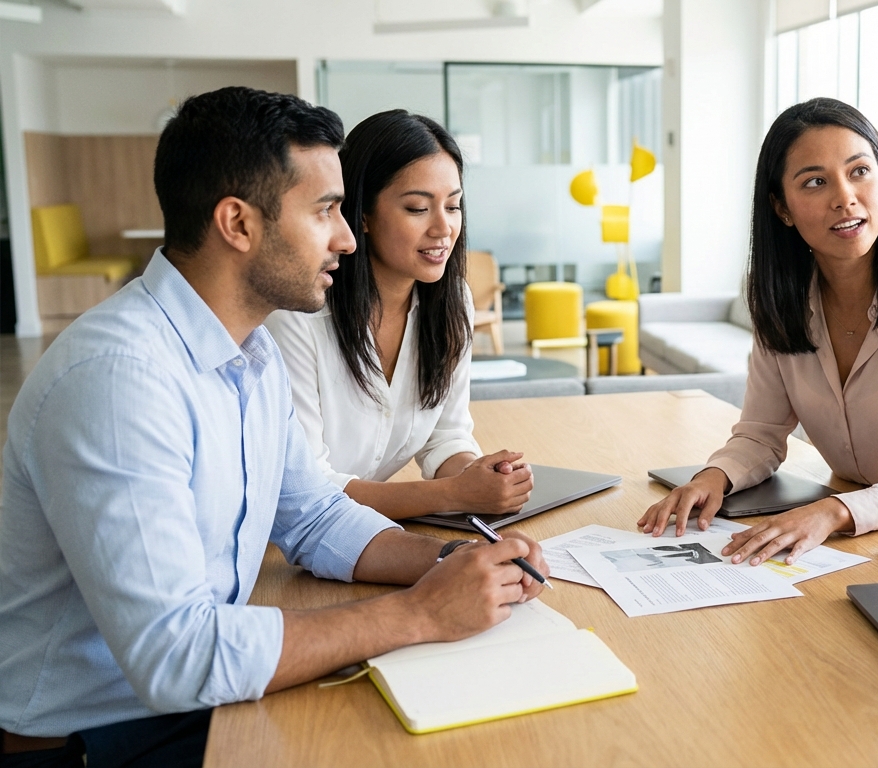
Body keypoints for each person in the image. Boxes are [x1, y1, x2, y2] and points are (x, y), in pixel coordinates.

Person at [0, 88, 547, 768]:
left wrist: (453, 565)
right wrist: (421, 613)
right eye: (325, 212)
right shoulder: (118, 380)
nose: (347, 237)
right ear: (238, 223)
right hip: (96, 738)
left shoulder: (248, 354)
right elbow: (178, 657)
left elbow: (314, 515)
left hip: (195, 703)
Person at [638, 98, 878, 566]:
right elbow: (761, 433)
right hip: (859, 520)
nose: (844, 197)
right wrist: (712, 478)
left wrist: (830, 513)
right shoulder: (779, 299)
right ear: (782, 208)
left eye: (859, 171)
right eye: (815, 181)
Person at [265, 110, 532, 521]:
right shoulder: (298, 316)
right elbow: (307, 489)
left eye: (454, 206)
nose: (444, 228)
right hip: (283, 548)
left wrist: (481, 478)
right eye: (417, 208)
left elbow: (446, 435)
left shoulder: (452, 302)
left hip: (365, 532)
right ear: (364, 215)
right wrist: (454, 495)